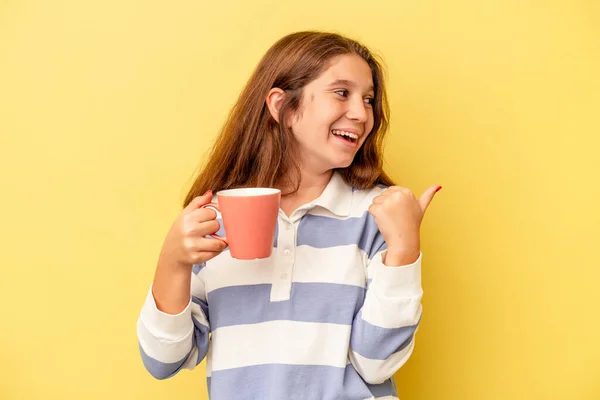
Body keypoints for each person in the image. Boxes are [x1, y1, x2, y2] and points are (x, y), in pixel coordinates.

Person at [136, 30, 441, 400]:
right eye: (341, 93)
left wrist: (404, 251)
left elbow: (377, 364)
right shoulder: (215, 218)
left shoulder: (377, 215)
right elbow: (163, 360)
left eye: (369, 99)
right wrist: (172, 261)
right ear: (282, 106)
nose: (362, 114)